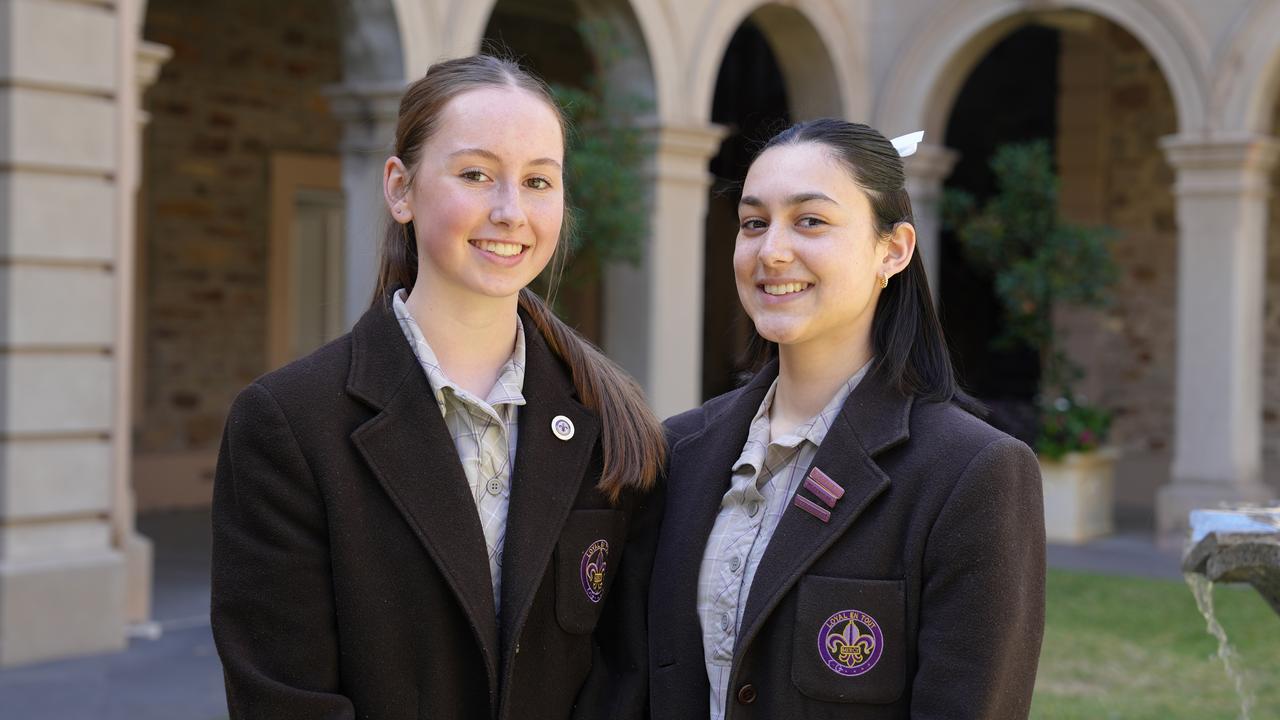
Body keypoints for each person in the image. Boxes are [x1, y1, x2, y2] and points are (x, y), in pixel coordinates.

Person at [210, 55, 664, 720]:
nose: (511, 211)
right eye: (476, 174)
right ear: (401, 189)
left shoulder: (610, 424)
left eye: (538, 181)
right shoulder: (288, 425)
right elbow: (284, 699)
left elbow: (625, 677)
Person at [649, 119, 1045, 719]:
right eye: (754, 223)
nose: (772, 250)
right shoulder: (680, 451)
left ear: (894, 249)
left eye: (810, 221)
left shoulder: (972, 473)